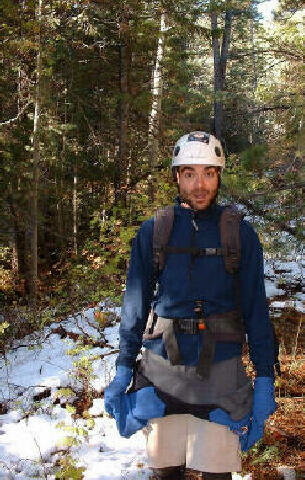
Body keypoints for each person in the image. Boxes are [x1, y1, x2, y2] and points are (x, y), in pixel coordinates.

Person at [104, 132, 277, 480]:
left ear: (219, 176)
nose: (200, 184)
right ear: (176, 176)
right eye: (189, 174)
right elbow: (135, 301)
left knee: (217, 474)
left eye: (209, 173)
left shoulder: (239, 234)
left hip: (222, 377)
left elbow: (257, 310)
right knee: (165, 473)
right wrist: (124, 366)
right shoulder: (155, 231)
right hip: (161, 372)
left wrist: (265, 377)